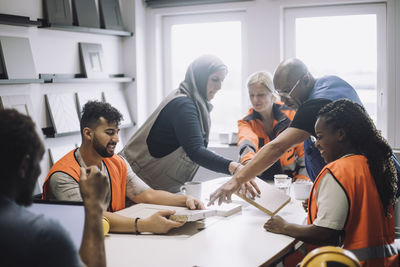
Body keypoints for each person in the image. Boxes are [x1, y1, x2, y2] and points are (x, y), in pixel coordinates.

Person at [208, 58, 364, 205]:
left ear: (305, 80)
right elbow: (247, 144)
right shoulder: (332, 82)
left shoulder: (312, 106)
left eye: (287, 91)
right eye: (280, 94)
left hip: (354, 182)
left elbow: (278, 147)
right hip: (351, 180)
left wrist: (236, 180)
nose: (283, 100)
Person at [264, 99, 398, 266]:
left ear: (341, 134)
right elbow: (357, 211)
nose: (317, 144)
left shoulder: (337, 172)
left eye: (319, 137)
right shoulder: (371, 164)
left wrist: (284, 226)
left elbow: (325, 234)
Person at [43, 101, 204, 234]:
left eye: (117, 132)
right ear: (88, 134)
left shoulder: (117, 162)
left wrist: (184, 200)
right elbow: (92, 217)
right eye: (109, 132)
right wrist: (145, 225)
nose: (116, 139)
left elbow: (147, 195)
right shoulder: (63, 175)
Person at [120, 55, 256, 194]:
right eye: (215, 79)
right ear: (200, 77)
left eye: (221, 81)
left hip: (148, 183)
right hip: (133, 181)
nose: (219, 86)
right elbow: (196, 150)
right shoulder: (183, 105)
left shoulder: (191, 100)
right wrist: (234, 167)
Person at [0, 109, 107, 267]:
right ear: (24, 166)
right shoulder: (43, 236)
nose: (38, 171)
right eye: (37, 162)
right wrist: (94, 206)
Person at [238, 71, 308, 181]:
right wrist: (248, 167)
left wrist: (302, 179)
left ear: (272, 95)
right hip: (260, 180)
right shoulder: (246, 122)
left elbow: (304, 154)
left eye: (261, 95)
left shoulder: (292, 115)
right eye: (252, 95)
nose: (255, 100)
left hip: (290, 181)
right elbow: (247, 143)